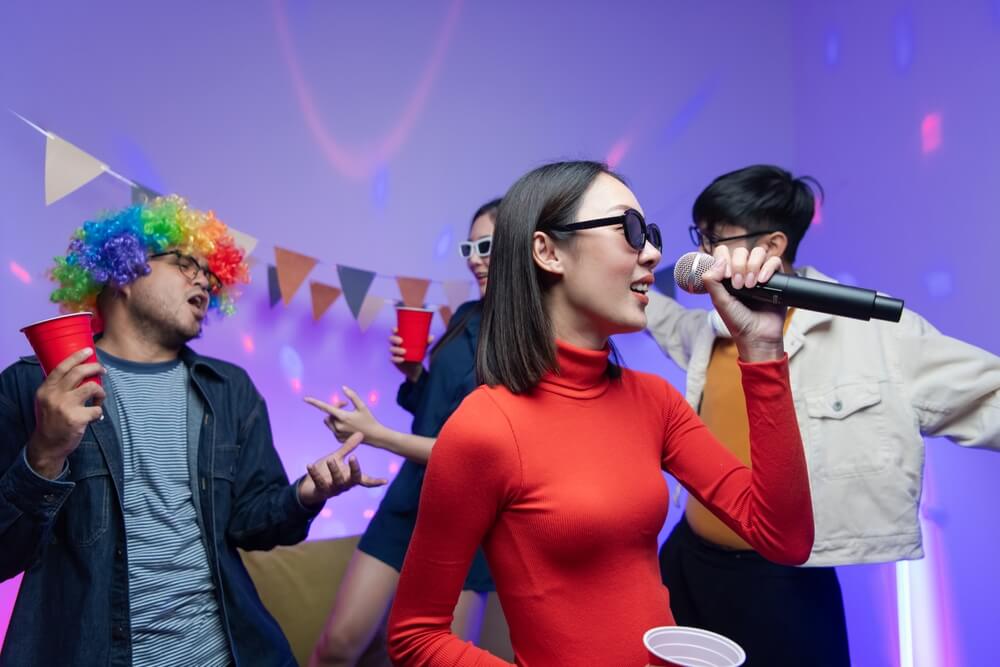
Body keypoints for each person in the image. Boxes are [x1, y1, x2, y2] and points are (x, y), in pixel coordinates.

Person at [385, 160, 815, 666]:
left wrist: (762, 349)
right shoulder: (485, 428)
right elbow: (415, 635)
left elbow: (785, 538)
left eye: (649, 233)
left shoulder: (655, 402)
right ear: (547, 251)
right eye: (629, 231)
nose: (653, 252)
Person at [0, 196, 385, 667]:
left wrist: (304, 495)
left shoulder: (230, 390)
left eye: (211, 273)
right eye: (185, 263)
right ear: (124, 270)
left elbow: (250, 524)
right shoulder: (35, 385)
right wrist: (44, 454)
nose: (204, 279)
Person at [645, 164, 1000, 666]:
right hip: (689, 560)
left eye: (714, 238)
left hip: (784, 582)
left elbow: (990, 394)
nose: (701, 254)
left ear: (771, 245)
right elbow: (666, 321)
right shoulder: (709, 328)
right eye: (699, 237)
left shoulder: (874, 336)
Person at [307, 199, 503, 666]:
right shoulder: (463, 318)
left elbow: (476, 457)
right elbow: (436, 413)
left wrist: (374, 434)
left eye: (486, 245)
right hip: (411, 499)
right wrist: (415, 375)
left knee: (433, 661)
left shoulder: (532, 341)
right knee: (338, 646)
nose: (473, 257)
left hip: (470, 520)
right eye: (467, 247)